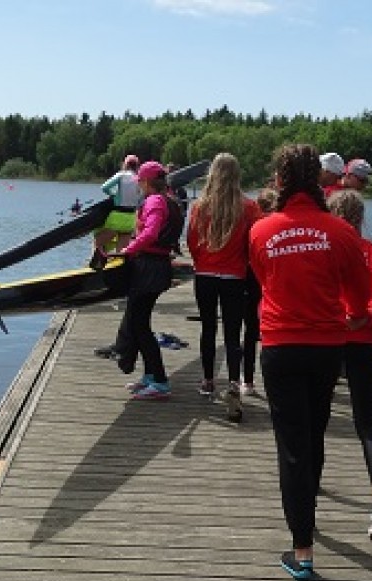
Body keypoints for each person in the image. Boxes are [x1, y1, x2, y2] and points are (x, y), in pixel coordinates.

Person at [249, 143, 372, 581]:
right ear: (320, 181)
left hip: (280, 347)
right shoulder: (341, 233)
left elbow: (266, 280)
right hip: (326, 350)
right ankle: (309, 510)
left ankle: (303, 550)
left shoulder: (261, 231)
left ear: (280, 181)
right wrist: (351, 316)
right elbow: (358, 299)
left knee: (291, 447)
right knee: (314, 433)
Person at [327, 189, 372, 543]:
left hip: (328, 341)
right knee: (366, 424)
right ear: (360, 218)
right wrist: (365, 314)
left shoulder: (326, 251)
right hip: (364, 343)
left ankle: (310, 486)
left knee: (317, 417)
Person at [186, 153, 263, 422]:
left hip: (205, 274)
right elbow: (255, 244)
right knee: (233, 334)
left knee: (208, 328)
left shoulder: (199, 206)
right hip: (235, 277)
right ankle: (233, 382)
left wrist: (201, 263)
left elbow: (192, 241)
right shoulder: (249, 207)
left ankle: (208, 381)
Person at [106, 160, 179, 400]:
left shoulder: (155, 201)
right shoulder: (170, 199)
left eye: (140, 182)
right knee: (140, 324)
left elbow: (151, 233)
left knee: (139, 326)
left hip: (149, 269)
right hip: (157, 267)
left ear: (147, 182)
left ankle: (159, 381)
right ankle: (149, 377)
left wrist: (127, 250)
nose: (138, 186)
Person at [240, 187, 277, 396]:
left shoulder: (254, 227)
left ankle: (248, 381)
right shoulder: (275, 227)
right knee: (267, 334)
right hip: (270, 284)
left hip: (250, 281)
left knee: (250, 331)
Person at [92, 154, 142, 266]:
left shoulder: (121, 175)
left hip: (117, 216)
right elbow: (141, 198)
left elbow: (104, 187)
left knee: (97, 241)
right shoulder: (139, 178)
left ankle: (97, 265)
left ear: (125, 164)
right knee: (121, 251)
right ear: (137, 166)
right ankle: (118, 269)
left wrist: (114, 195)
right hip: (131, 218)